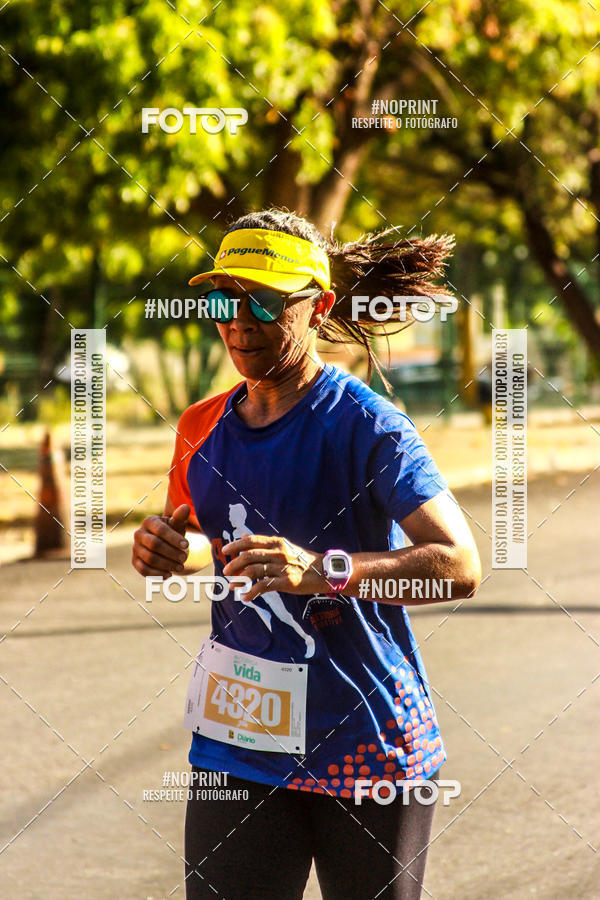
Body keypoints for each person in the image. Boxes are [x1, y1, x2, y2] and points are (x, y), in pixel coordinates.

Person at [131, 208, 482, 899]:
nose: (239, 320)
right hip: (240, 743)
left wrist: (322, 570)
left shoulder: (367, 425)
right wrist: (175, 551)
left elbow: (460, 563)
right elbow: (211, 539)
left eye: (263, 301)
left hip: (366, 740)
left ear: (317, 306)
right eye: (221, 299)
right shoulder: (202, 426)